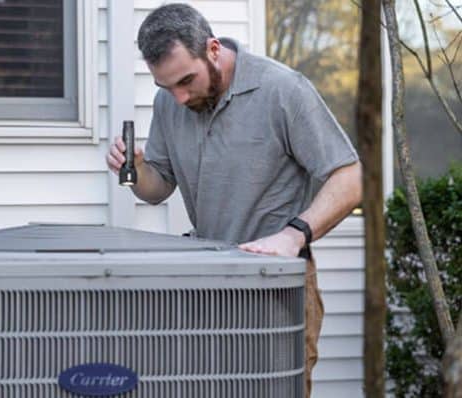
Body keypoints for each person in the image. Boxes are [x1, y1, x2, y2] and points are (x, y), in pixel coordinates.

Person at [105, 3, 363, 397]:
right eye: (166, 87)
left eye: (186, 81)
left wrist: (294, 236)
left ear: (212, 49)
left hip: (276, 286)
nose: (178, 97)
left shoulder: (282, 90)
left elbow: (350, 177)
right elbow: (158, 188)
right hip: (206, 284)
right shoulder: (170, 103)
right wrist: (137, 169)